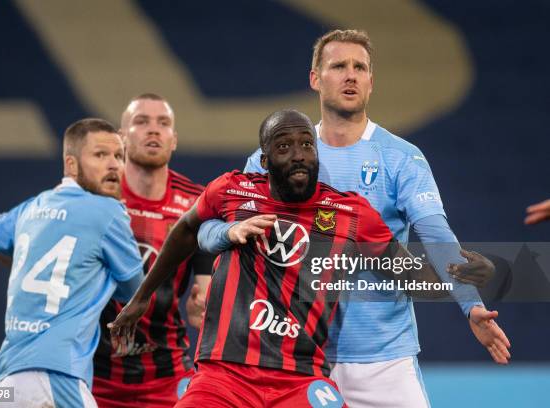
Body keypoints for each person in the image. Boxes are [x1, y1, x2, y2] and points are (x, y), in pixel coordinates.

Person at [197, 29, 510, 407]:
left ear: (371, 82)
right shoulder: (276, 156)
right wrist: (228, 233)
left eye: (360, 67)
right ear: (315, 78)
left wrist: (470, 304)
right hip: (294, 361)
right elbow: (209, 226)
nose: (350, 75)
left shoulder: (400, 158)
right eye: (338, 66)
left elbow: (435, 234)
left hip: (384, 360)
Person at [109, 109, 463, 408]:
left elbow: (404, 272)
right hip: (224, 375)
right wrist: (142, 297)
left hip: (300, 378)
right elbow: (187, 230)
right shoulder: (233, 190)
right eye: (284, 146)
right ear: (264, 161)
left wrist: (462, 273)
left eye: (307, 145)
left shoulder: (350, 212)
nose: (298, 154)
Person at [0, 118, 143, 407]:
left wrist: (18, 256)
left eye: (119, 156)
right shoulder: (108, 212)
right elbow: (135, 292)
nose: (113, 165)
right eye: (100, 154)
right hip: (58, 378)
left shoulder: (31, 208)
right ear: (70, 164)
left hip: (7, 386)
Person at [92, 93, 213, 407]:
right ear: (121, 137)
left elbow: (206, 281)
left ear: (173, 140)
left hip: (168, 374)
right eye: (141, 121)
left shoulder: (196, 203)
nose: (153, 130)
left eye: (163, 123)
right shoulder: (92, 197)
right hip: (94, 376)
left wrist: (204, 297)